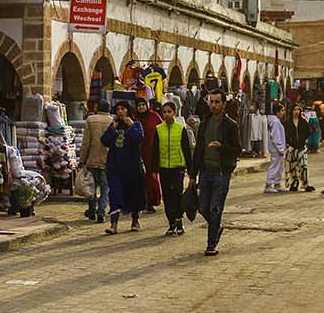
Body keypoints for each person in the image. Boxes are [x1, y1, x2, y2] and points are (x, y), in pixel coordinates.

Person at [194, 90, 240, 255]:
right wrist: (193, 175)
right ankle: (216, 227)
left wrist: (221, 147)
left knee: (215, 208)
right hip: (205, 172)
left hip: (221, 173)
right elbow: (198, 149)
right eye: (211, 102)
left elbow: (237, 150)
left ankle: (211, 244)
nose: (213, 105)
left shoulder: (230, 125)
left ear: (223, 104)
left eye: (217, 102)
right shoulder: (204, 123)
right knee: (202, 207)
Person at [100, 99, 145, 233]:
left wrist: (131, 126)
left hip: (132, 166)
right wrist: (112, 129)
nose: (121, 111)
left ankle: (135, 221)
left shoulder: (136, 124)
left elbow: (138, 139)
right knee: (115, 193)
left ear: (128, 110)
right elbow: (104, 141)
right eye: (118, 109)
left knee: (134, 193)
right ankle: (114, 225)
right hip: (115, 166)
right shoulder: (114, 125)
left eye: (123, 109)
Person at [151, 100, 194, 236]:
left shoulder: (181, 129)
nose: (167, 114)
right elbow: (155, 150)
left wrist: (191, 170)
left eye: (169, 111)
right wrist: (154, 169)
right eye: (164, 112)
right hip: (164, 167)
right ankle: (171, 223)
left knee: (177, 194)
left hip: (178, 167)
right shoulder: (158, 129)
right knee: (167, 196)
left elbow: (187, 151)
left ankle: (179, 220)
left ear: (174, 113)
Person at [78, 99, 112, 222]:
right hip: (106, 160)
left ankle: (92, 211)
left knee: (91, 186)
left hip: (92, 158)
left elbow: (86, 142)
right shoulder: (112, 121)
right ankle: (101, 211)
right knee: (105, 187)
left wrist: (82, 159)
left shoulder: (91, 120)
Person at [283, 103, 315, 192]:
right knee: (292, 166)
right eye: (294, 110)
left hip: (301, 147)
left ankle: (305, 183)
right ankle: (294, 183)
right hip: (292, 147)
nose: (296, 112)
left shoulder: (303, 121)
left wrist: (304, 139)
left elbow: (308, 132)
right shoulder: (288, 122)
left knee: (303, 165)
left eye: (298, 109)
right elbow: (285, 134)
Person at [263, 105, 287, 193]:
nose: (283, 113)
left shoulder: (274, 121)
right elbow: (276, 136)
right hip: (276, 148)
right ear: (277, 112)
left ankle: (277, 183)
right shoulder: (275, 122)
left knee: (279, 167)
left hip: (276, 148)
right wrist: (280, 148)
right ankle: (269, 184)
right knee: (275, 166)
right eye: (282, 111)